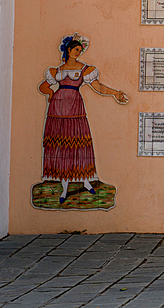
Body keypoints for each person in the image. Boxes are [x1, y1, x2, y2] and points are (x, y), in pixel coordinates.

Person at [38, 34, 128, 204]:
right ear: (69, 50)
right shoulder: (56, 71)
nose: (78, 53)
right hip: (57, 110)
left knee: (78, 144)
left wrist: (115, 93)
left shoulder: (85, 69)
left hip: (75, 110)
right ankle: (64, 186)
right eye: (76, 50)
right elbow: (43, 86)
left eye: (80, 50)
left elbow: (99, 87)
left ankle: (85, 180)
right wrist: (51, 93)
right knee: (62, 146)